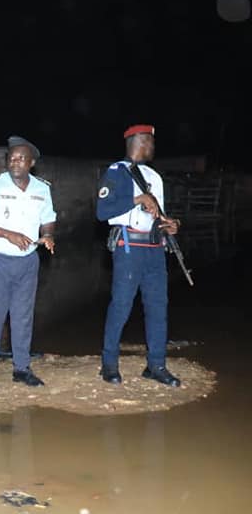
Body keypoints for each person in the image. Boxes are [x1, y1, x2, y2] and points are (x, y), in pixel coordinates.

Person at [96, 124, 182, 387]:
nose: (154, 147)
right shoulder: (117, 172)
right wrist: (137, 199)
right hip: (128, 248)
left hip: (155, 250)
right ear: (140, 141)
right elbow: (102, 211)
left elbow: (157, 215)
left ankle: (156, 365)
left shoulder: (154, 177)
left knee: (158, 307)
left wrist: (170, 224)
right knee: (121, 306)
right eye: (151, 142)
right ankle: (109, 365)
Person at [0, 136, 56, 391]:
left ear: (31, 163)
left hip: (28, 262)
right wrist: (8, 233)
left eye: (20, 158)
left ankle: (21, 368)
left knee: (22, 317)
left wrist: (49, 234)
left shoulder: (42, 188)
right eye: (11, 158)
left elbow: (48, 218)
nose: (14, 162)